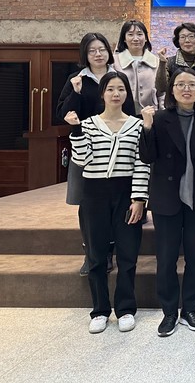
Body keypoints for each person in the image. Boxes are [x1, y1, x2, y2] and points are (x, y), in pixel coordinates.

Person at [139, 68, 195, 337]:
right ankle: (168, 312)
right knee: (166, 259)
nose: (186, 89)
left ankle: (190, 309)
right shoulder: (160, 119)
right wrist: (147, 127)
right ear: (172, 90)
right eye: (180, 84)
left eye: (192, 84)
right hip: (167, 198)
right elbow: (147, 156)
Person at [65, 72, 149, 334]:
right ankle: (100, 310)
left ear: (127, 94)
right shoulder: (89, 124)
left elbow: (142, 163)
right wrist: (76, 130)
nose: (116, 94)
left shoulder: (136, 125)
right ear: (102, 93)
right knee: (96, 255)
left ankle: (126, 309)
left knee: (128, 254)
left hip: (126, 193)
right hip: (94, 193)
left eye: (121, 89)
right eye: (110, 89)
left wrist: (139, 199)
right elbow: (82, 160)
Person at [58, 32, 136, 276]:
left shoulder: (118, 78)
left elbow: (130, 111)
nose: (98, 54)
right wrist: (76, 93)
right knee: (87, 204)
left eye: (102, 49)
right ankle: (92, 253)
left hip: (116, 150)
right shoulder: (76, 79)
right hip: (86, 150)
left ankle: (110, 252)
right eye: (92, 50)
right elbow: (63, 113)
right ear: (85, 54)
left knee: (115, 203)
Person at [112, 19, 162, 114]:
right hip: (122, 114)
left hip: (151, 114)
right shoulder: (114, 62)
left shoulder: (156, 62)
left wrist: (162, 113)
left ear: (146, 38)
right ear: (124, 38)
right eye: (130, 34)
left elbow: (162, 92)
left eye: (139, 34)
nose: (135, 38)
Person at [155, 22, 195, 96]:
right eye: (182, 37)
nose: (187, 40)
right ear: (178, 41)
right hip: (175, 103)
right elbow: (161, 88)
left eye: (191, 36)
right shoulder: (169, 62)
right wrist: (162, 62)